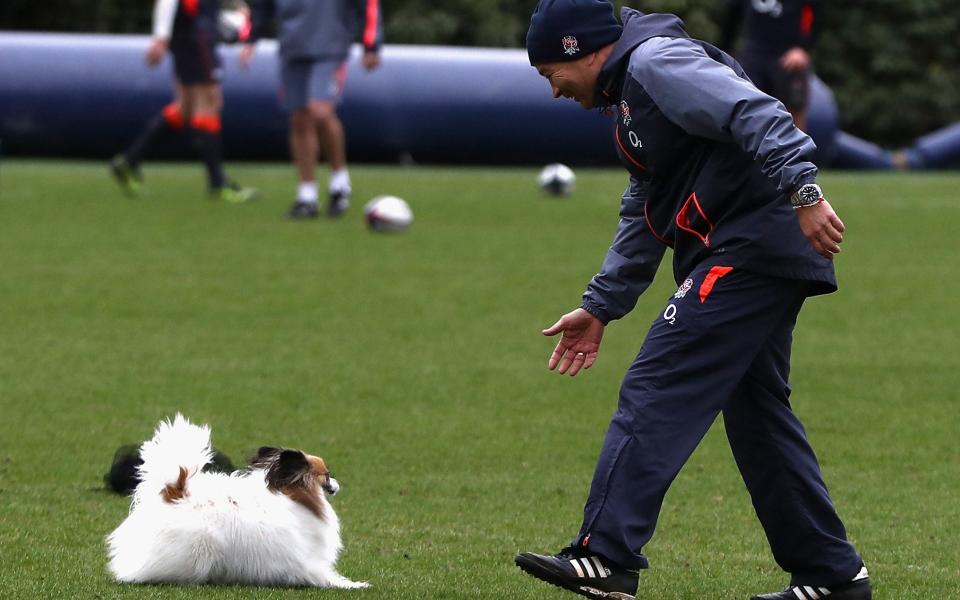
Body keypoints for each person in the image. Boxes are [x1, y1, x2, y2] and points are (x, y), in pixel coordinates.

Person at [515, 2, 870, 600]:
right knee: (759, 418)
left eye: (551, 73)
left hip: (751, 244)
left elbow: (753, 108)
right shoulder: (631, 93)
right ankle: (831, 577)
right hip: (747, 247)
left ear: (581, 50)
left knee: (660, 381)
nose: (554, 90)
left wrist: (804, 190)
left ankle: (604, 555)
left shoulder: (657, 63)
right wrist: (602, 305)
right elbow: (645, 209)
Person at [240, 0, 382, 219]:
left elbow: (368, 4)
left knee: (320, 111)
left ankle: (339, 181)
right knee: (298, 118)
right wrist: (250, 39)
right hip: (293, 46)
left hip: (330, 45)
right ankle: (307, 195)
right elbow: (260, 5)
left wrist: (371, 43)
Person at [111, 0, 257, 203]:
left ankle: (130, 161)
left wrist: (231, 8)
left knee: (186, 107)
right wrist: (161, 38)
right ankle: (218, 184)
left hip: (192, 31)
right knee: (210, 102)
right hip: (195, 34)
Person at [719, 0, 820, 132]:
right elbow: (732, 13)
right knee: (738, 106)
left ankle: (795, 150)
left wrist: (802, 49)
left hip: (788, 57)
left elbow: (815, 13)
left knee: (794, 106)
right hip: (753, 54)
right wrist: (721, 54)